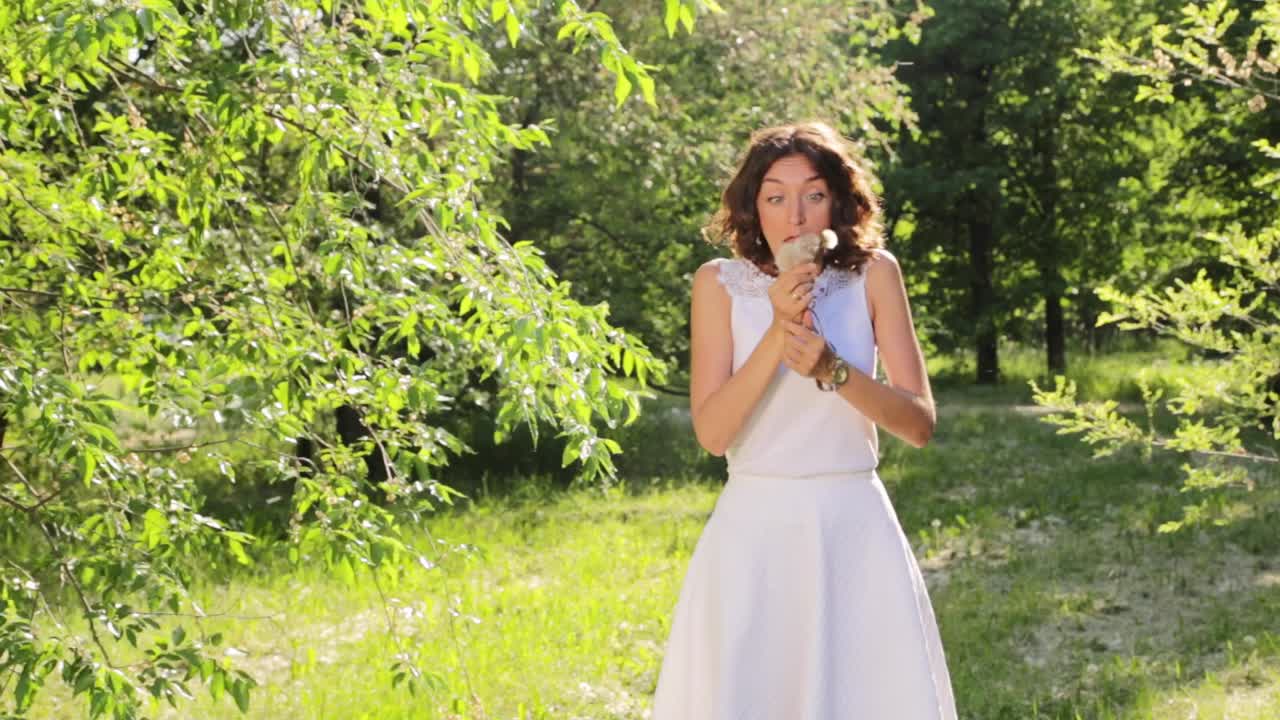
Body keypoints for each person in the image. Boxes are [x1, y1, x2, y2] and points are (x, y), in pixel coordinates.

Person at [651, 122, 957, 719]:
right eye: (775, 197)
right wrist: (778, 328)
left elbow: (919, 424)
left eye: (813, 195)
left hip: (853, 526)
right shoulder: (718, 285)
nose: (795, 216)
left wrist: (833, 370)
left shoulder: (874, 275)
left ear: (837, 203)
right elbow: (713, 435)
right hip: (754, 531)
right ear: (753, 207)